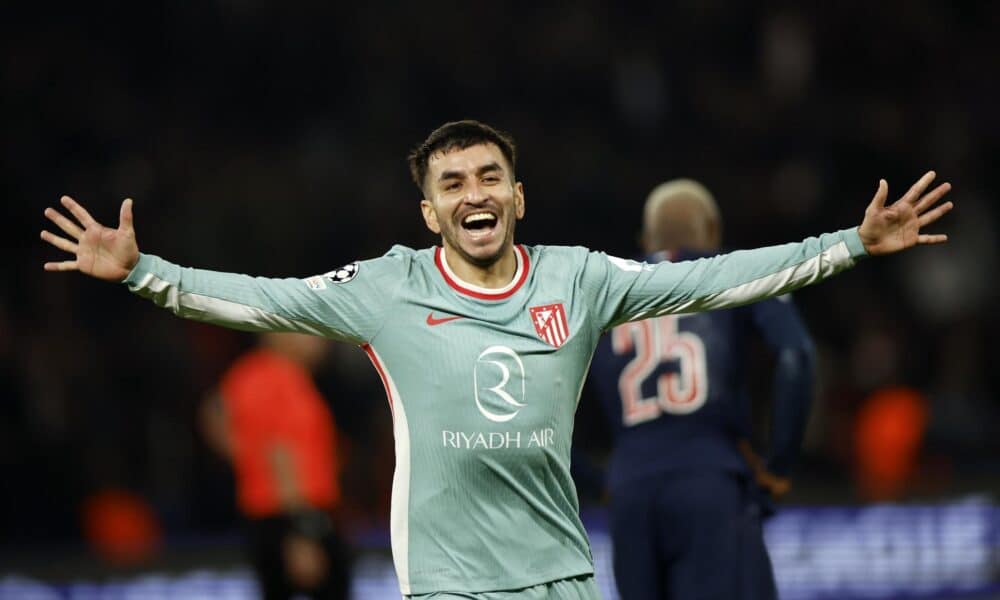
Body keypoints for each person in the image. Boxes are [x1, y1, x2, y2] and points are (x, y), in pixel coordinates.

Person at [40, 120, 952, 599]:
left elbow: (717, 281)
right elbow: (263, 298)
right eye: (451, 185)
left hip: (563, 578)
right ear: (430, 213)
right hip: (452, 585)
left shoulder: (581, 279)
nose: (472, 194)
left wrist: (853, 245)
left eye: (486, 178)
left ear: (517, 195)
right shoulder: (386, 288)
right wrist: (143, 274)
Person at [586, 179, 816, 599]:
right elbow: (795, 356)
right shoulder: (730, 268)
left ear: (644, 240)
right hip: (709, 477)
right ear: (712, 232)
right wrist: (779, 463)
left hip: (629, 491)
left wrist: (593, 478)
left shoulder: (603, 290)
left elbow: (532, 403)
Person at [199, 332, 351, 599]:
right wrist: (301, 533)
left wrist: (247, 457)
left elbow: (213, 412)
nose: (322, 341)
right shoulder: (276, 378)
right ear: (280, 334)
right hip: (294, 517)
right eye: (311, 333)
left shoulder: (251, 374)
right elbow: (280, 455)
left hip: (275, 517)